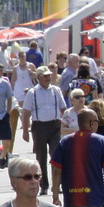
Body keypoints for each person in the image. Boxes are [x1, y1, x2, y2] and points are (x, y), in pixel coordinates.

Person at [21, 66, 67, 196]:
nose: (48, 78)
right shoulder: (32, 93)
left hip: (55, 126)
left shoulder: (56, 90)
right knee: (41, 157)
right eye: (45, 76)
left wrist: (69, 123)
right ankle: (43, 185)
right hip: (39, 127)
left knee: (56, 155)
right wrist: (25, 131)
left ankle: (58, 185)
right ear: (38, 77)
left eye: (49, 75)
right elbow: (26, 113)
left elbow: (64, 109)